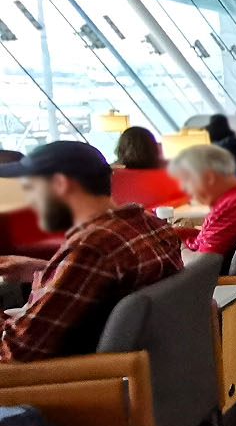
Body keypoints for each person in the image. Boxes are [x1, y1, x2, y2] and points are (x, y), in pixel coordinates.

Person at [0, 142, 182, 363]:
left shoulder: (92, 248)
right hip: (148, 369)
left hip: (77, 381)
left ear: (60, 184)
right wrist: (44, 269)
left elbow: (15, 350)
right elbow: (105, 285)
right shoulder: (152, 225)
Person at [168, 144, 236, 265]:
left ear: (209, 177)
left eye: (186, 181)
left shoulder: (231, 206)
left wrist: (181, 247)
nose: (184, 188)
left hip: (214, 280)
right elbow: (214, 238)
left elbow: (198, 265)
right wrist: (181, 233)